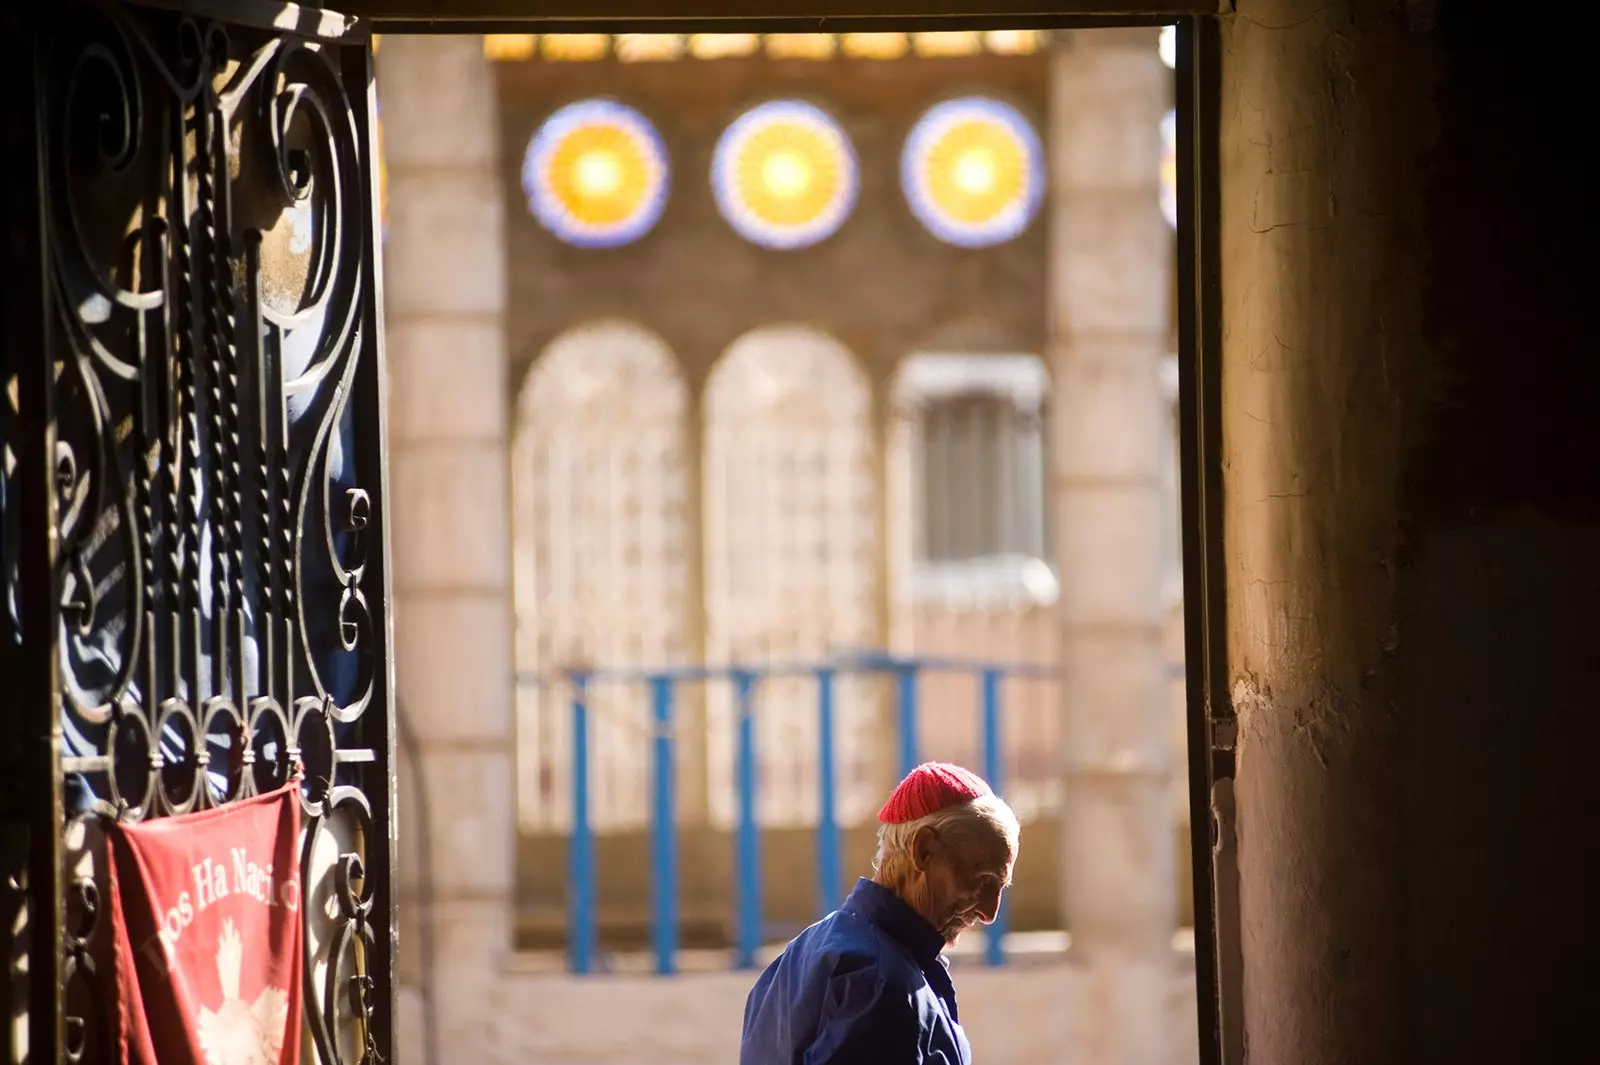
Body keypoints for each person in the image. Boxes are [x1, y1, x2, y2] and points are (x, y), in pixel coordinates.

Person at [741, 761, 1020, 1064]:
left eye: (1000, 889)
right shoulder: (882, 986)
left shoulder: (797, 957)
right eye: (981, 881)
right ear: (924, 850)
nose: (989, 912)